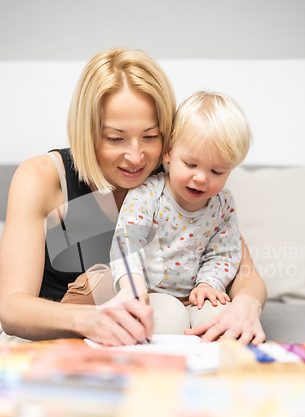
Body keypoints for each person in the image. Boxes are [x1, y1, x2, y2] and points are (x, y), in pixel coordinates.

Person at [0, 47, 266, 346]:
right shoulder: (42, 178)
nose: (136, 156)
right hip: (52, 343)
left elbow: (241, 267)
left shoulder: (175, 179)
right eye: (115, 138)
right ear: (86, 132)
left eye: (151, 136)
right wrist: (93, 319)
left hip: (138, 346)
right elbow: (12, 308)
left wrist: (247, 306)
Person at [110, 91, 247, 336]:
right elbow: (127, 242)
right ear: (169, 152)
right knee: (168, 322)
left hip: (196, 294)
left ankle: (210, 368)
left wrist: (209, 284)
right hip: (150, 293)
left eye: (217, 171)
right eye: (191, 164)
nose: (201, 178)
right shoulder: (148, 193)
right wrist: (132, 285)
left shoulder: (223, 204)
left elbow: (224, 252)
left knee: (222, 321)